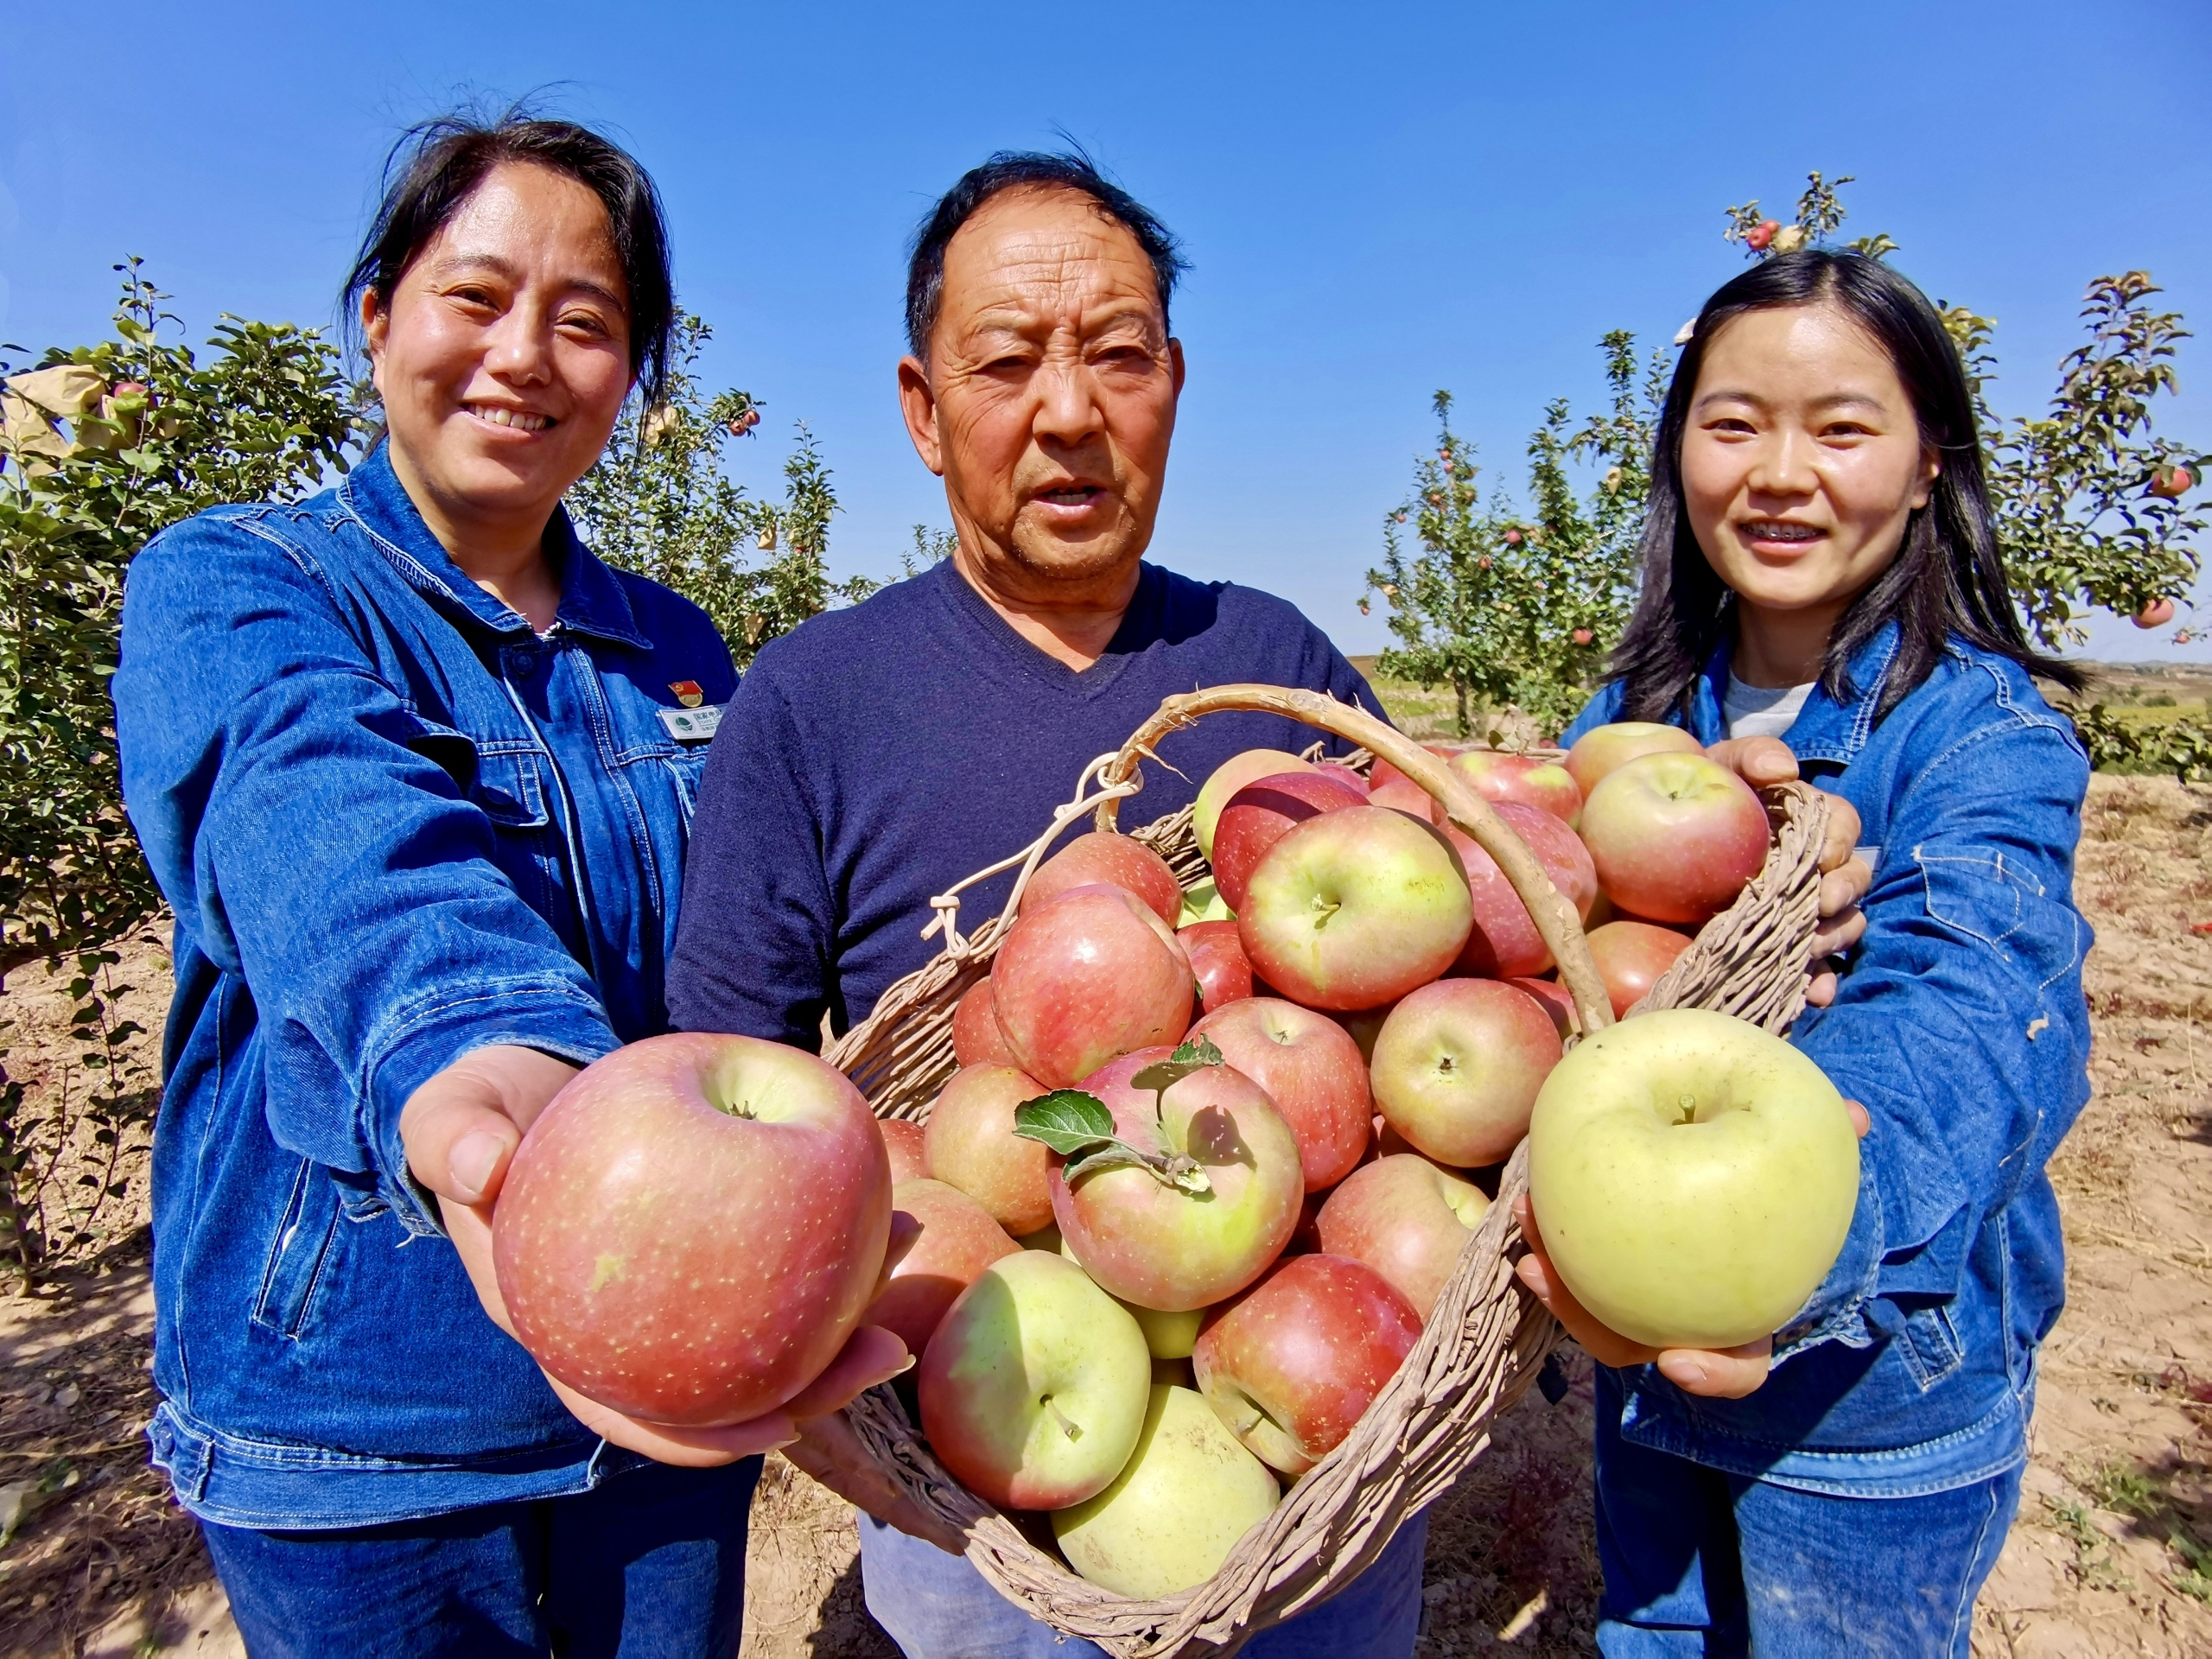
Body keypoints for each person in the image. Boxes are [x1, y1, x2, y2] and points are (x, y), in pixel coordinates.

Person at [667, 151, 1869, 1659]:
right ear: (921, 407)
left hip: (1319, 1515)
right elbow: (736, 1082)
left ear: (1174, 380)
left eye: (1117, 354)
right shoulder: (815, 700)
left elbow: (1494, 943)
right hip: (980, 1526)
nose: (1067, 410)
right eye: (1006, 361)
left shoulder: (1280, 662)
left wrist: (1692, 843)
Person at [113, 111, 903, 1659]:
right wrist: (471, 1048)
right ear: (379, 316)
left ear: (633, 377)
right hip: (362, 1421)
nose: (525, 357)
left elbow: (747, 960)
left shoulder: (676, 648)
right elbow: (317, 814)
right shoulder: (240, 584)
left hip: (668, 1380)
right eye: (476, 298)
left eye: (587, 322)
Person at [1525, 249, 2094, 1656]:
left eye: (1842, 428)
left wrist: (1792, 1243)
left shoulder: (1980, 737)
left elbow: (1982, 1015)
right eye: (1732, 425)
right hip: (1647, 1362)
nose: (1781, 472)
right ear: (1677, 456)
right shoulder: (1625, 727)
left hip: (1872, 1400)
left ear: (1924, 469)